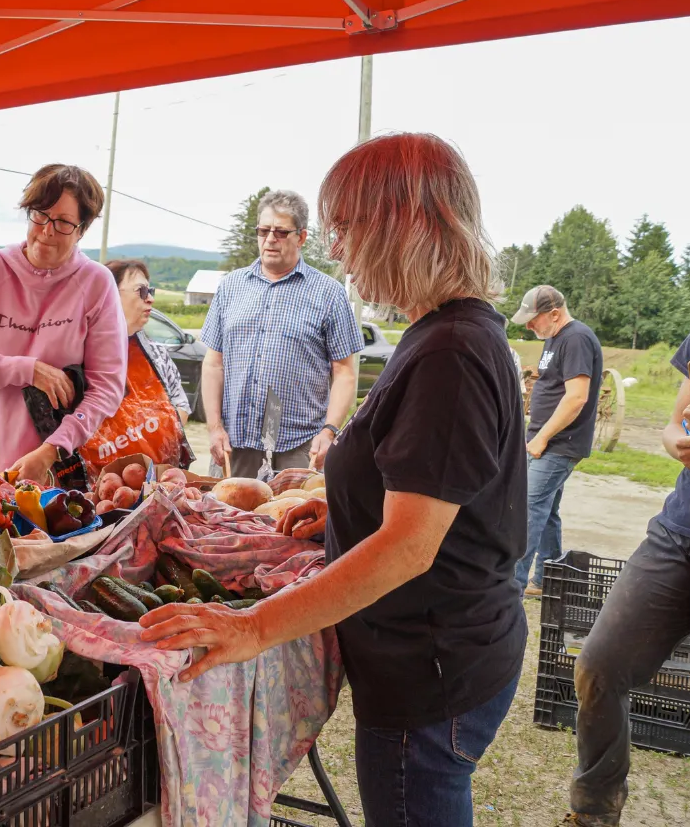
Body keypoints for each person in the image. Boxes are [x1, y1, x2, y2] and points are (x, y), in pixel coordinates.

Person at [140, 133, 527, 827]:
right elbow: (434, 492)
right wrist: (347, 512)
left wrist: (255, 626)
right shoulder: (444, 333)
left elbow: (411, 547)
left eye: (347, 228)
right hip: (438, 654)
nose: (338, 249)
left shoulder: (452, 352)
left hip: (432, 667)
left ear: (405, 224)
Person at [564, 304, 690, 827]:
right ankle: (594, 812)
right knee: (599, 666)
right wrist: (681, 440)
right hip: (680, 527)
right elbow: (676, 420)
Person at [0, 164, 127, 483]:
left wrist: (52, 450)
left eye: (63, 223)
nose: (47, 231)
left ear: (82, 229)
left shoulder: (96, 283)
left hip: (59, 470)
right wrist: (27, 369)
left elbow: (107, 387)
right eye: (40, 215)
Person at [201, 189, 362, 477]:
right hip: (234, 446)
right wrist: (214, 428)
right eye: (263, 231)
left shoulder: (328, 294)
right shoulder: (231, 287)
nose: (270, 239)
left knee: (291, 520)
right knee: (223, 519)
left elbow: (345, 373)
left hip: (299, 448)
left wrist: (329, 430)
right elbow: (214, 363)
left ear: (301, 237)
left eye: (280, 232)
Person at [510, 285, 603, 596]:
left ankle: (511, 587)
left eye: (533, 319)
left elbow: (577, 398)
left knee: (528, 508)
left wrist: (543, 438)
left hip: (558, 443)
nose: (528, 325)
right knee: (546, 510)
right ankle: (549, 577)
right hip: (544, 439)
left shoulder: (576, 337)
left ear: (554, 313)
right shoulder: (555, 337)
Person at [76, 259, 193, 474]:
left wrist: (151, 440)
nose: (150, 299)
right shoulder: (76, 357)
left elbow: (181, 405)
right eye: (141, 291)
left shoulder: (157, 355)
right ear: (109, 294)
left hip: (158, 478)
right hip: (102, 488)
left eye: (151, 290)